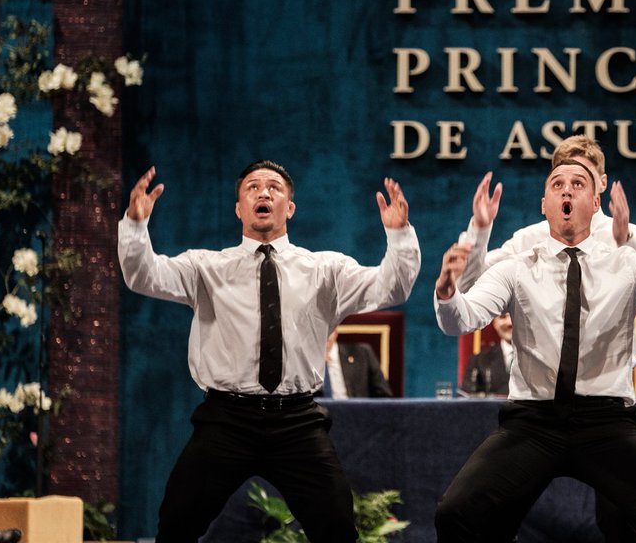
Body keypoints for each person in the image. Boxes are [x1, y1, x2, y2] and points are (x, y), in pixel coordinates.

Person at [118, 161, 420, 543]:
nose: (264, 193)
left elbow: (392, 288)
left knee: (338, 529)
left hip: (296, 421)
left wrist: (399, 235)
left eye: (275, 188)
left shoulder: (325, 269)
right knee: (176, 526)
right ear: (239, 208)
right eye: (253, 188)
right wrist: (134, 226)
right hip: (226, 420)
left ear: (289, 207)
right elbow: (142, 275)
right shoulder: (206, 267)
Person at [433, 159, 636, 542]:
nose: (567, 190)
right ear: (544, 204)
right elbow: (460, 321)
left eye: (578, 184)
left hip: (606, 423)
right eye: (557, 184)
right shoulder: (516, 269)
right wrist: (447, 292)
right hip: (533, 423)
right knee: (455, 515)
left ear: (596, 201)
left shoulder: (629, 264)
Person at [457, 134, 636, 291]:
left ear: (602, 183)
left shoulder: (631, 236)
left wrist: (625, 240)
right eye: (561, 180)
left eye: (581, 179)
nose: (569, 189)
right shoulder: (528, 240)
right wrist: (480, 231)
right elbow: (469, 286)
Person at [319, 327, 394, 399]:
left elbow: (384, 397)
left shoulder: (362, 354)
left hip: (356, 410)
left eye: (328, 328)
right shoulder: (307, 363)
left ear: (335, 331)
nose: (323, 334)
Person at [461, 311, 513, 396]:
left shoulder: (540, 358)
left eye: (514, 316)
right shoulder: (479, 361)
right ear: (495, 323)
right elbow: (466, 399)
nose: (509, 323)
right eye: (503, 317)